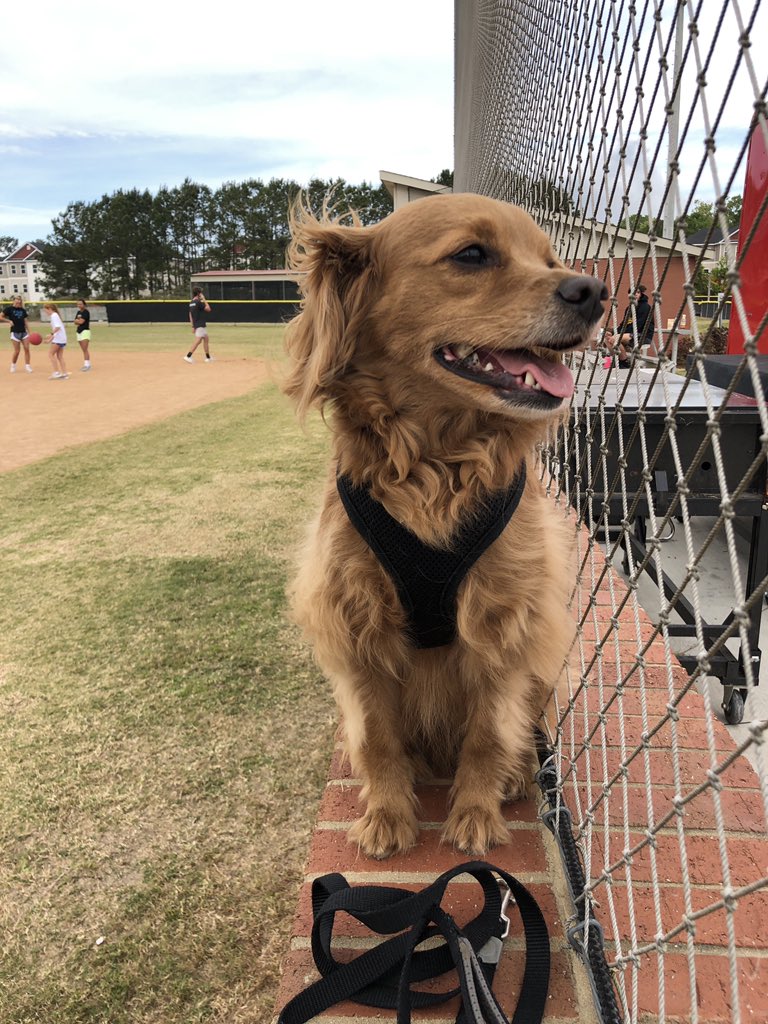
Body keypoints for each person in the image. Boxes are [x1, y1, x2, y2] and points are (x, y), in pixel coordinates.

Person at [605, 283, 653, 368]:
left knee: (616, 339)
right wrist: (613, 332)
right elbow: (623, 324)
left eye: (637, 292)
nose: (635, 295)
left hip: (642, 335)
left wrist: (620, 335)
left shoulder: (645, 307)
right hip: (629, 334)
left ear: (641, 294)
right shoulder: (629, 308)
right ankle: (618, 360)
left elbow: (639, 325)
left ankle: (624, 362)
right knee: (608, 339)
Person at [1, 294, 33, 374]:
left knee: (27, 348)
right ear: (14, 300)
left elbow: (25, 321)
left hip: (24, 332)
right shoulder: (9, 309)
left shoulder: (22, 310)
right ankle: (13, 365)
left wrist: (30, 331)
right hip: (15, 332)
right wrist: (8, 321)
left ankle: (27, 366)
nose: (18, 301)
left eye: (20, 300)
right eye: (17, 299)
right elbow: (0, 317)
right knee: (17, 351)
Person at [183, 287, 213, 363]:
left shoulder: (191, 302)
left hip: (197, 324)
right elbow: (208, 309)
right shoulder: (198, 302)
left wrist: (193, 326)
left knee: (206, 339)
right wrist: (204, 299)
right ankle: (188, 356)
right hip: (200, 324)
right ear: (199, 293)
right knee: (198, 340)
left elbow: (190, 314)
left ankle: (208, 357)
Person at [43, 303, 69, 379]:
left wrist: (51, 334)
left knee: (50, 354)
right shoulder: (55, 315)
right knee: (60, 356)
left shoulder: (54, 316)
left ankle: (56, 372)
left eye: (46, 310)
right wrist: (49, 340)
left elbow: (57, 327)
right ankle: (65, 374)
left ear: (50, 309)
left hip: (59, 339)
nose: (46, 312)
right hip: (62, 338)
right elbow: (58, 330)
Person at [74, 298, 92, 371]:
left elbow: (81, 322)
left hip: (85, 331)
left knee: (85, 349)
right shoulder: (78, 312)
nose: (79, 305)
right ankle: (86, 364)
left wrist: (78, 321)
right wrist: (78, 321)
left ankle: (87, 365)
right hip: (79, 331)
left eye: (81, 304)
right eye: (78, 304)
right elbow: (75, 322)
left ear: (84, 304)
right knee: (83, 349)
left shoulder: (86, 312)